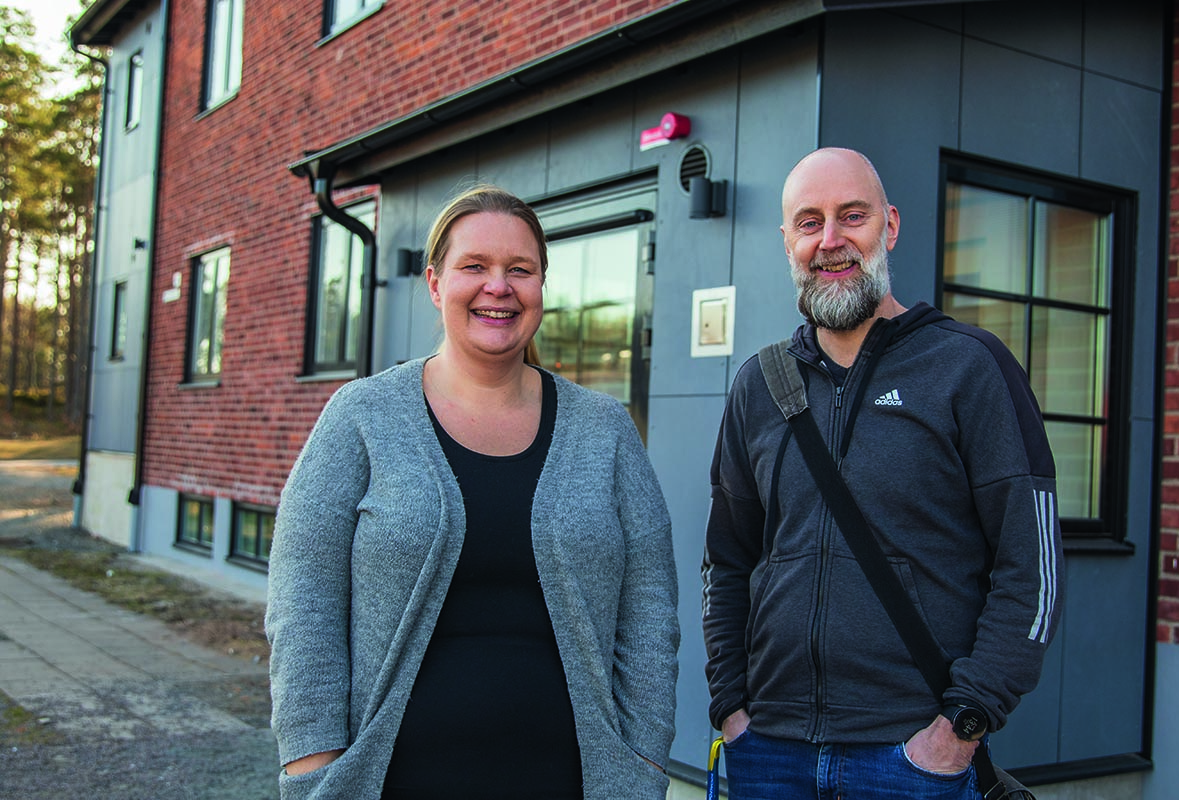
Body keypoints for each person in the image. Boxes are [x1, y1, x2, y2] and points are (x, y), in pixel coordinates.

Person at [266, 184, 680, 800]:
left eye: (521, 269)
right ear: (435, 284)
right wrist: (315, 766)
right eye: (475, 267)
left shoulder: (604, 428)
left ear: (542, 286)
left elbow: (649, 602)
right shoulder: (362, 416)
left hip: (570, 783)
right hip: (392, 783)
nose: (499, 286)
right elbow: (305, 599)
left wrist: (642, 760)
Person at [701, 148, 1063, 799]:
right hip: (769, 753)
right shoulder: (760, 385)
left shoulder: (968, 368)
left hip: (913, 758)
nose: (831, 240)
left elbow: (1031, 570)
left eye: (853, 216)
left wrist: (962, 727)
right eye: (809, 222)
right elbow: (727, 562)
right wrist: (732, 708)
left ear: (889, 227)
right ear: (787, 241)